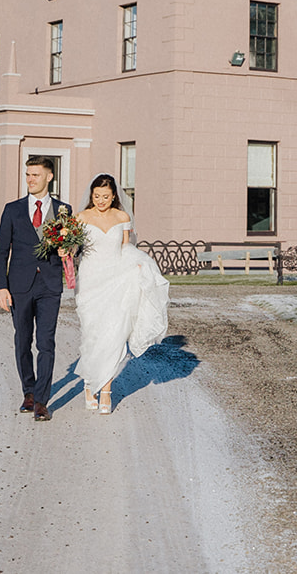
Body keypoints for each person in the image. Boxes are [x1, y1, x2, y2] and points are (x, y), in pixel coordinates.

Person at [74, 173, 170, 415]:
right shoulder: (82, 217)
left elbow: (126, 247)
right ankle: (89, 385)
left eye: (105, 196)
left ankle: (105, 390)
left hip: (117, 278)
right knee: (92, 334)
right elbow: (74, 247)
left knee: (114, 334)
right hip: (91, 280)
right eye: (96, 196)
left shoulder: (122, 216)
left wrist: (138, 265)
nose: (100, 200)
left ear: (114, 195)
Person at [0, 156, 67, 422]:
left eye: (36, 175)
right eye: (27, 174)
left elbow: (74, 247)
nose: (30, 179)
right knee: (22, 341)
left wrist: (68, 249)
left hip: (49, 285)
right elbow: (2, 252)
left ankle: (41, 400)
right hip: (20, 286)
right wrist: (1, 287)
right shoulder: (12, 210)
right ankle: (28, 389)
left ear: (49, 176)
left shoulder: (64, 211)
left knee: (46, 343)